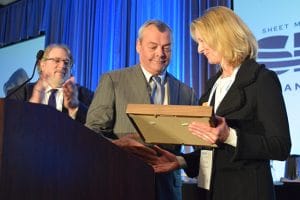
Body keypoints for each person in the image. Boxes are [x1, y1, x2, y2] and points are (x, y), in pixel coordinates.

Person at [147, 6, 291, 200]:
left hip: (245, 192)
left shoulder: (262, 80)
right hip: (211, 191)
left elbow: (280, 146)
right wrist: (180, 161)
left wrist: (229, 136)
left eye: (202, 41)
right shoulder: (213, 85)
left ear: (222, 36)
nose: (199, 49)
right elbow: (212, 151)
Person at [85, 20, 198, 200]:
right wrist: (118, 145)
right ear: (138, 46)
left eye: (166, 48)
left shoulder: (186, 92)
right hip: (121, 184)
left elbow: (200, 148)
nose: (160, 54)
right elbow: (91, 133)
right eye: (153, 47)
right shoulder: (113, 81)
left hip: (167, 190)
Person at [6, 44, 94, 124]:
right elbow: (8, 124)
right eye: (57, 60)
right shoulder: (21, 93)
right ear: (42, 65)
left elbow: (97, 127)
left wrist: (75, 108)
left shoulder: (85, 95)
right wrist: (31, 107)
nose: (62, 65)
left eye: (66, 62)